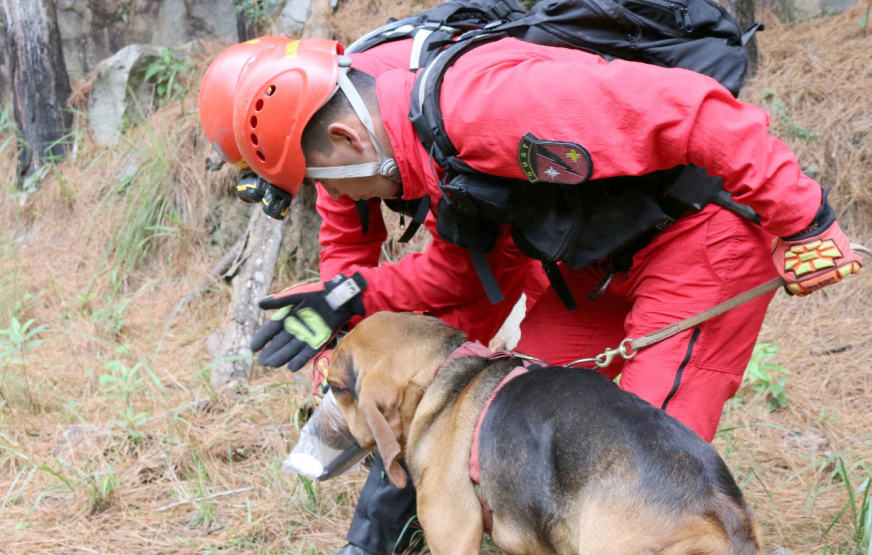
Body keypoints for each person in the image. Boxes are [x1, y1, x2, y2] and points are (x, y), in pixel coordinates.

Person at [202, 37, 863, 552]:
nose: (334, 200)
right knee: (514, 417)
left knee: (631, 463)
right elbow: (424, 274)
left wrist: (803, 218)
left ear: (344, 140)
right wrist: (340, 298)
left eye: (328, 185)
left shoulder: (485, 102)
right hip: (585, 262)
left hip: (698, 239)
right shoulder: (349, 119)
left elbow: (697, 111)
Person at [200, 38, 542, 555]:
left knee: (435, 366)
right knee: (364, 342)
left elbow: (461, 275)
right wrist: (343, 334)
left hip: (516, 229)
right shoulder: (323, 121)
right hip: (470, 226)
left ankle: (380, 536)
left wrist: (358, 308)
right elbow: (344, 238)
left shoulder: (392, 111)